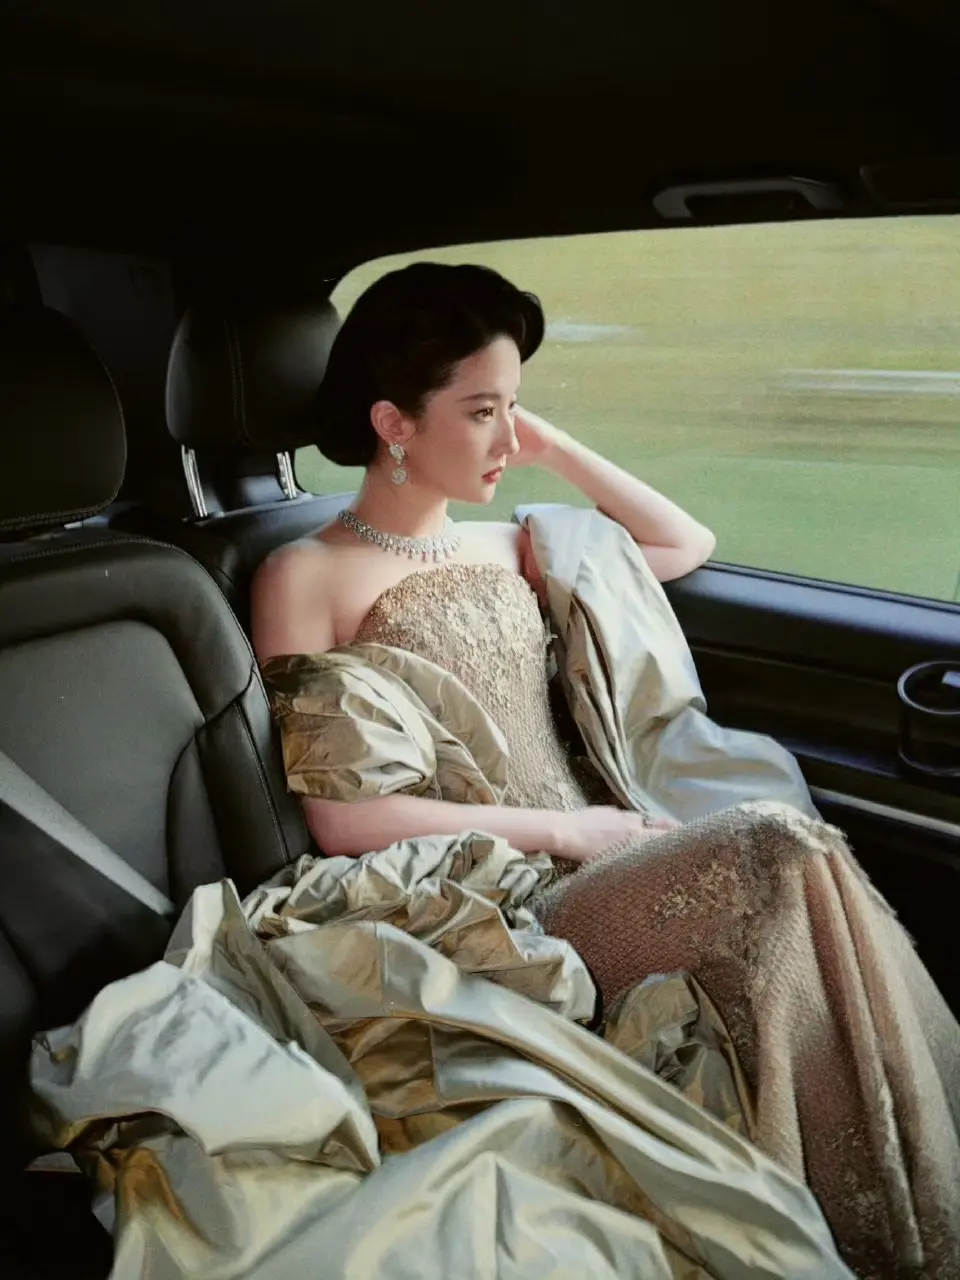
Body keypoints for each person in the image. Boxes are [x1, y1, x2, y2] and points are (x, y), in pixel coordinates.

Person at [252, 262, 960, 1280]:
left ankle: (911, 1200)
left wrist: (540, 441)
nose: (509, 439)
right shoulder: (305, 575)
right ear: (393, 423)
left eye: (517, 406)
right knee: (779, 846)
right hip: (492, 898)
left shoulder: (517, 544)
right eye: (482, 412)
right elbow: (342, 821)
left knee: (801, 875)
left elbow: (683, 540)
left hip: (610, 842)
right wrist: (565, 833)